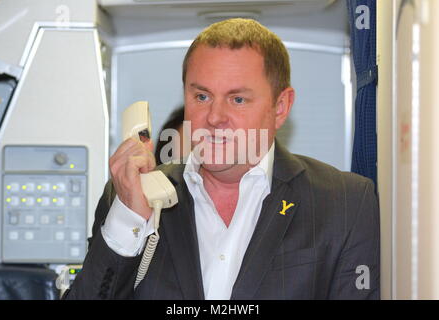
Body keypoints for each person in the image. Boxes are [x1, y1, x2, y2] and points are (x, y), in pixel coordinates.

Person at [64, 18, 380, 300]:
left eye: (237, 99)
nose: (214, 117)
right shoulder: (132, 196)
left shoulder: (346, 201)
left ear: (280, 107)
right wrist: (129, 220)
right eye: (201, 97)